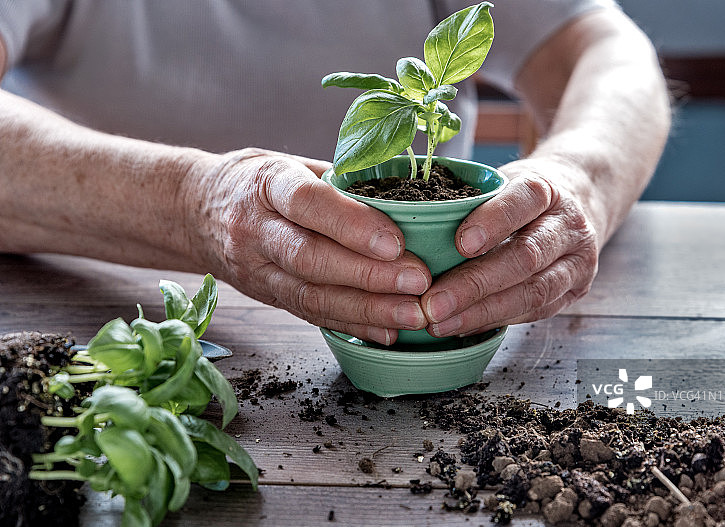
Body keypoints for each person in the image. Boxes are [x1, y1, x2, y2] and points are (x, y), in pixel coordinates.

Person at [0, 1, 670, 345]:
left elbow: (608, 49)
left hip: (422, 330)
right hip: (110, 336)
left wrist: (577, 179)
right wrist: (195, 203)